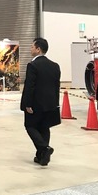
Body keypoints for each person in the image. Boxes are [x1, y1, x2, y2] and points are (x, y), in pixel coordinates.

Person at [20, 37, 61, 166]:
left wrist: (27, 104)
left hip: (36, 103)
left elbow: (29, 86)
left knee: (30, 126)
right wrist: (56, 103)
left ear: (38, 49)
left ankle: (44, 148)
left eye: (32, 47)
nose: (30, 49)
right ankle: (42, 157)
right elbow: (56, 86)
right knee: (44, 127)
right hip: (50, 103)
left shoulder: (33, 65)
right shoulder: (55, 66)